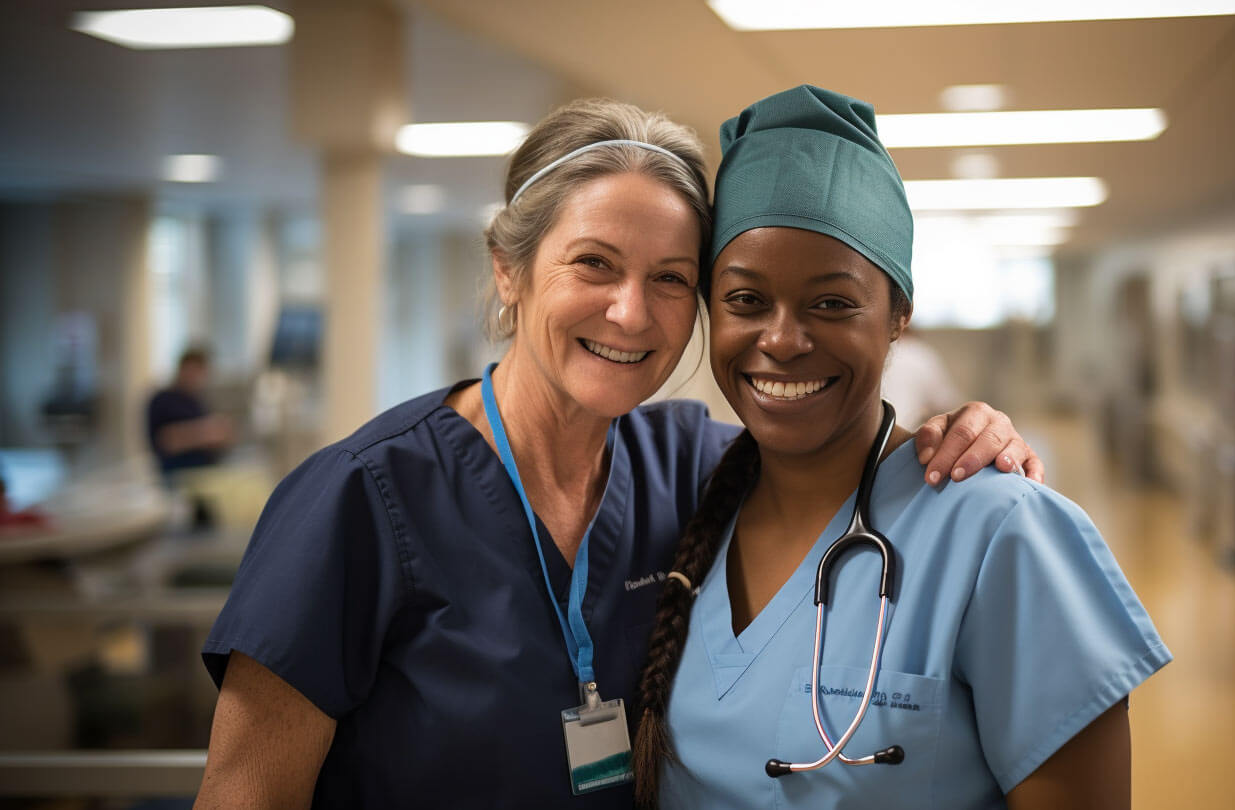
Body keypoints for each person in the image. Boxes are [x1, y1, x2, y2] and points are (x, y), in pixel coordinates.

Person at [194, 98, 1044, 808]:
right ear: (508, 269)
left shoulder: (691, 467)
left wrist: (962, 431)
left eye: (671, 278)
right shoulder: (362, 499)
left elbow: (837, 447)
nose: (631, 315)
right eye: (593, 265)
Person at [632, 86, 1171, 809]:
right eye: (747, 300)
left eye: (832, 303)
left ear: (898, 317)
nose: (783, 340)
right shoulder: (686, 509)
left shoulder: (1001, 532)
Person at [146, 346, 233, 478]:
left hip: (204, 473)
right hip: (178, 475)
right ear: (182, 368)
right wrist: (206, 433)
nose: (196, 377)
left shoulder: (196, 401)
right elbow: (166, 440)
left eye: (201, 372)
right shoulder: (163, 400)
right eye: (193, 370)